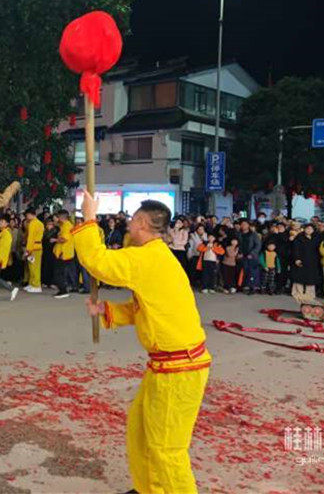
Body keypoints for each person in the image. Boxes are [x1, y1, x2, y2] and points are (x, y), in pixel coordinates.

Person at [76, 195, 211, 494]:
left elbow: (98, 263)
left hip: (179, 368)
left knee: (167, 449)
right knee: (140, 434)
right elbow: (146, 308)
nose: (127, 227)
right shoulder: (155, 257)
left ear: (140, 223)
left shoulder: (148, 257)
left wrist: (88, 219)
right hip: (167, 366)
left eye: (131, 221)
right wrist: (107, 311)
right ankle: (150, 489)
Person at [290, 224, 321, 303]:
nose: (309, 230)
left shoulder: (316, 238)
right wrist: (297, 259)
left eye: (311, 229)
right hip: (301, 260)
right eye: (307, 228)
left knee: (310, 278)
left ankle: (310, 294)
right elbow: (295, 249)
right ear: (304, 229)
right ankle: (297, 293)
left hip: (312, 261)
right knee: (299, 277)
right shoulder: (299, 237)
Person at [51, 210, 77, 298]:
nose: (57, 219)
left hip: (63, 253)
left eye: (58, 217)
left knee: (59, 273)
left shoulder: (67, 226)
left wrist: (54, 240)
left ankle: (63, 291)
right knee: (60, 272)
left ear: (61, 217)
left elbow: (64, 239)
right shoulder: (64, 225)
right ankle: (62, 290)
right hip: (63, 253)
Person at [23, 208, 44, 293]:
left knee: (34, 267)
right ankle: (32, 283)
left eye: (27, 215)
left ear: (31, 214)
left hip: (33, 247)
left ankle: (36, 285)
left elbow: (30, 238)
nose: (26, 217)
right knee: (32, 266)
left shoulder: (33, 223)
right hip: (36, 247)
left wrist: (28, 249)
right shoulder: (39, 223)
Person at [238, 220, 262, 294]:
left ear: (248, 225)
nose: (243, 225)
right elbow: (238, 245)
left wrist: (252, 253)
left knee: (252, 273)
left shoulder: (253, 234)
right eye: (242, 224)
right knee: (244, 272)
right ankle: (245, 286)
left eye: (245, 224)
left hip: (252, 257)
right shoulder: (239, 234)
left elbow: (258, 245)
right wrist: (239, 253)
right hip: (243, 256)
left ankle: (253, 287)